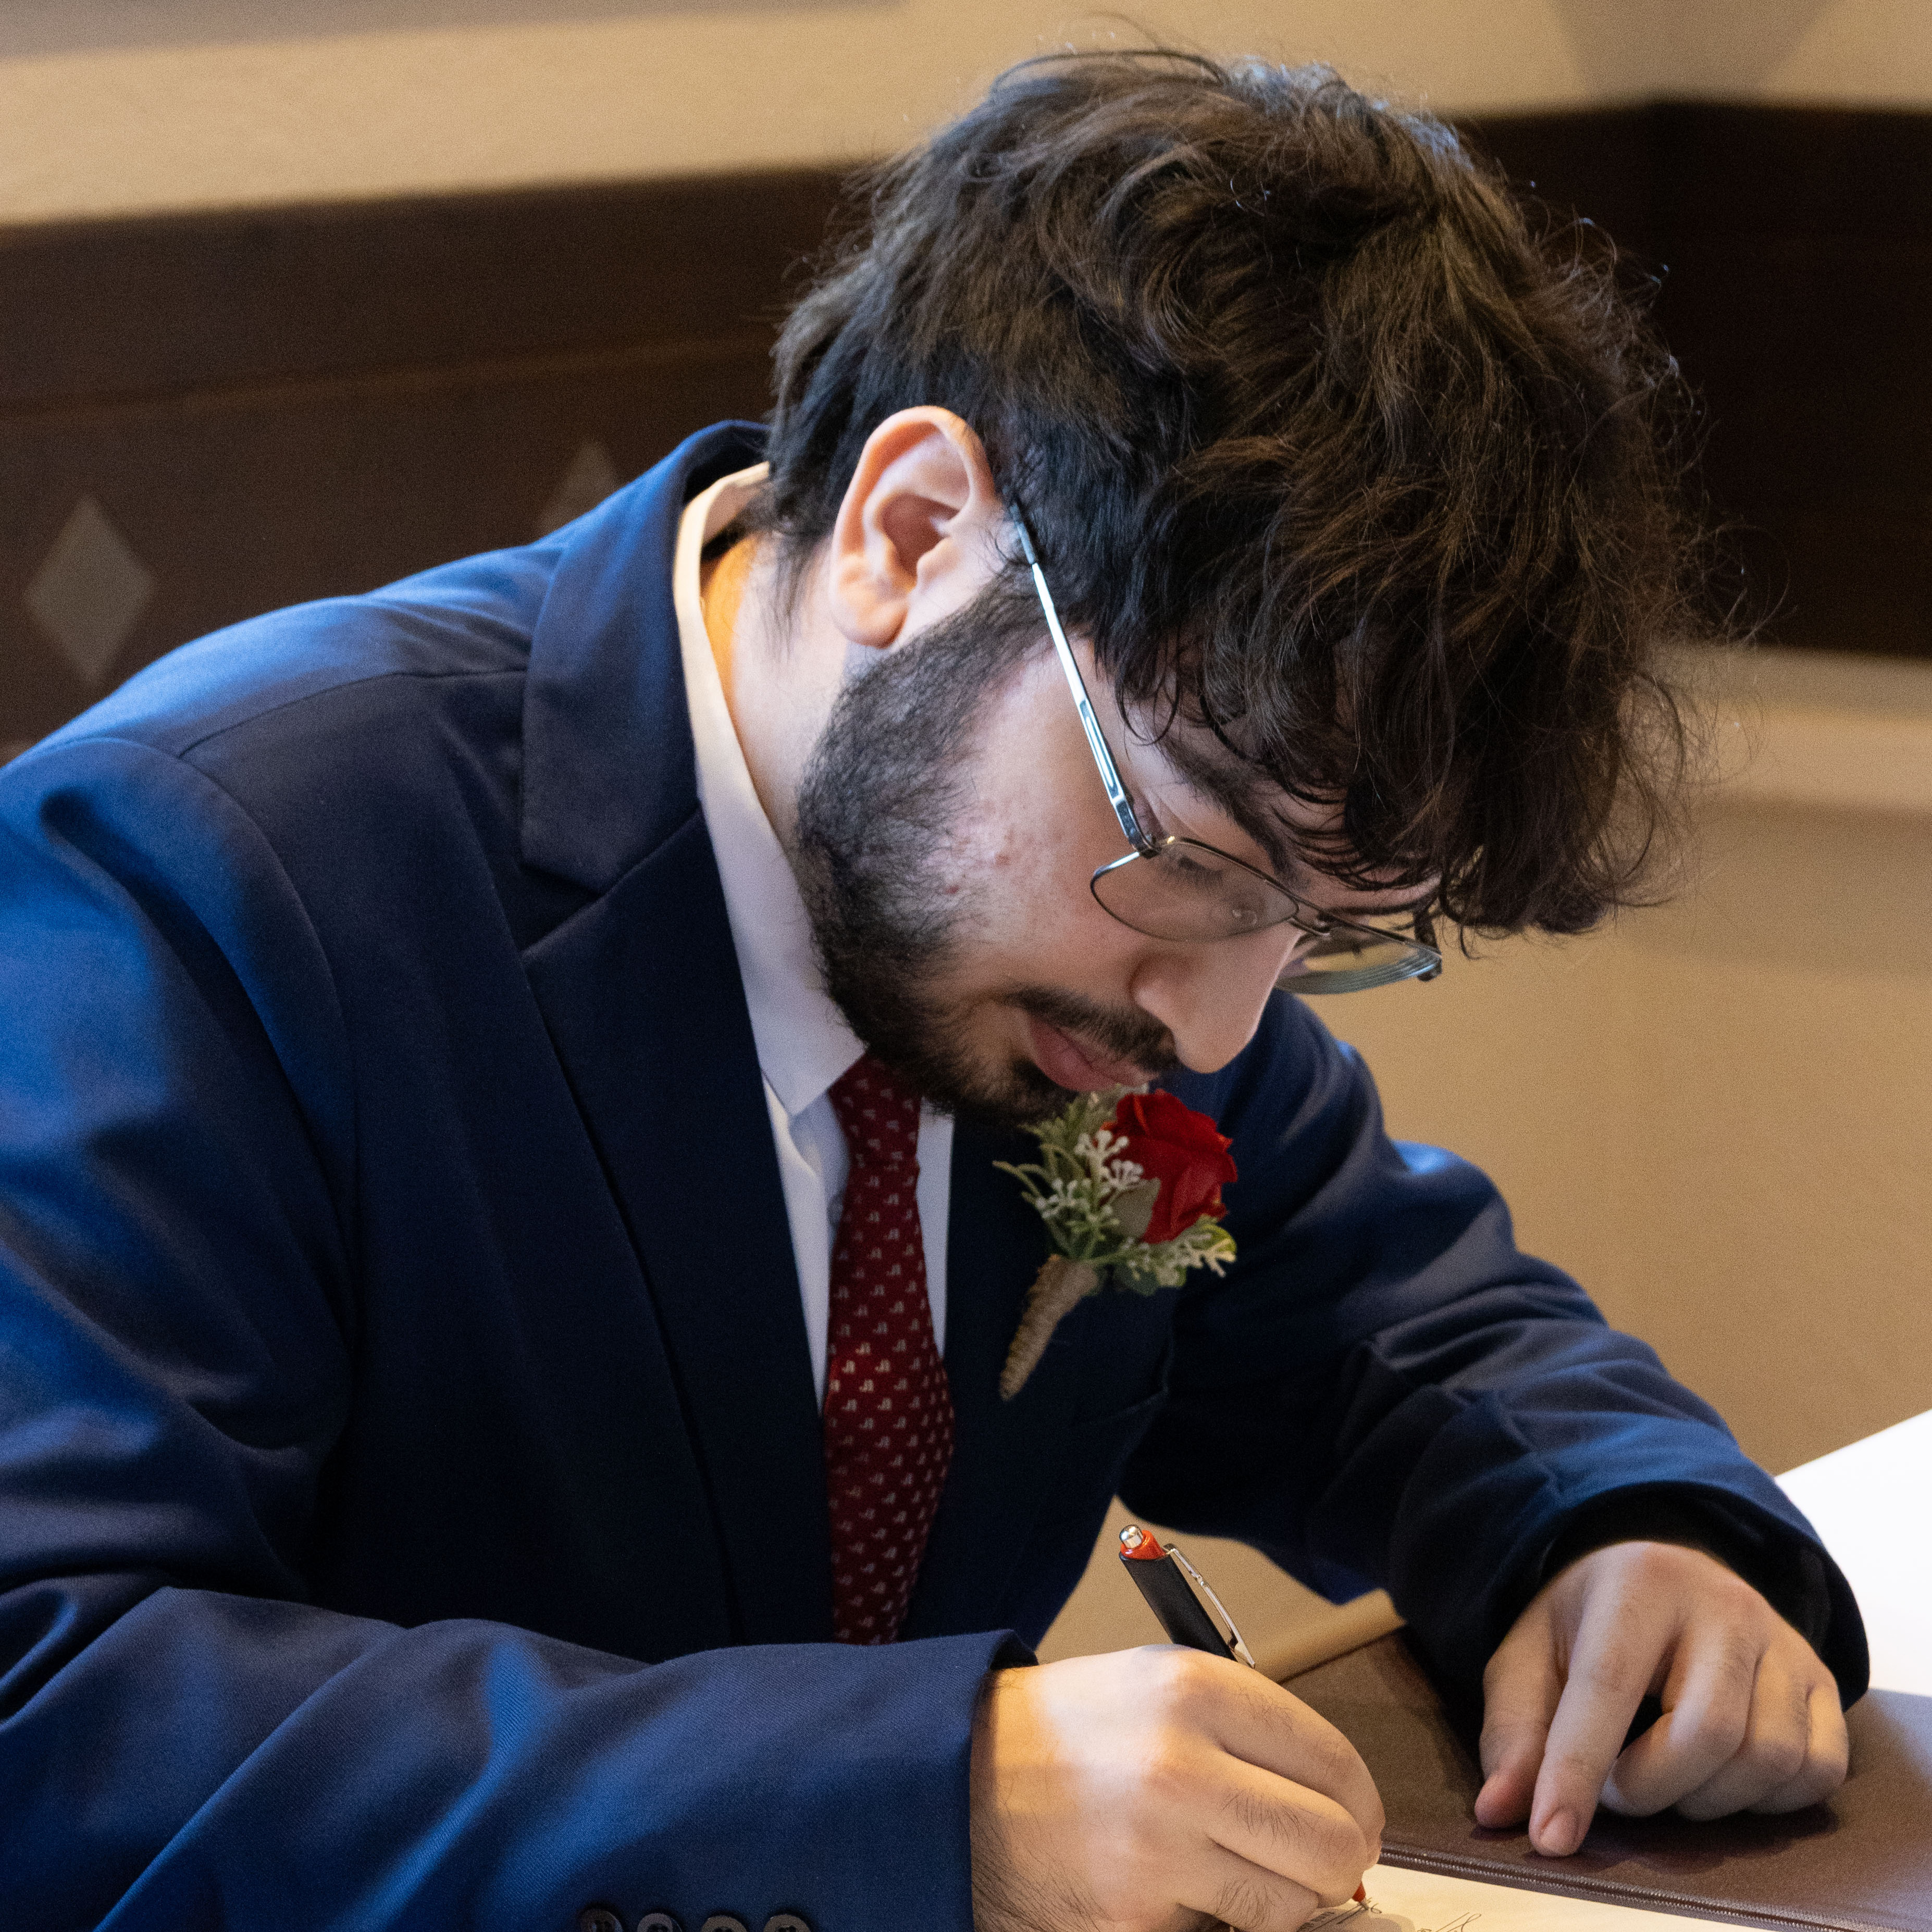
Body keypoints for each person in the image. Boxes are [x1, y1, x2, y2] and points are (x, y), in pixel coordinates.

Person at [0, 51, 1861, 1932]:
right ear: (912, 534)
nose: (1217, 1028)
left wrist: (1626, 1529)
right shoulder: (204, 872)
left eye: (1323, 926)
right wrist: (915, 1794)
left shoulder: (1098, 946)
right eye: (1200, 861)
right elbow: (48, 1700)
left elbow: (1396, 1324)